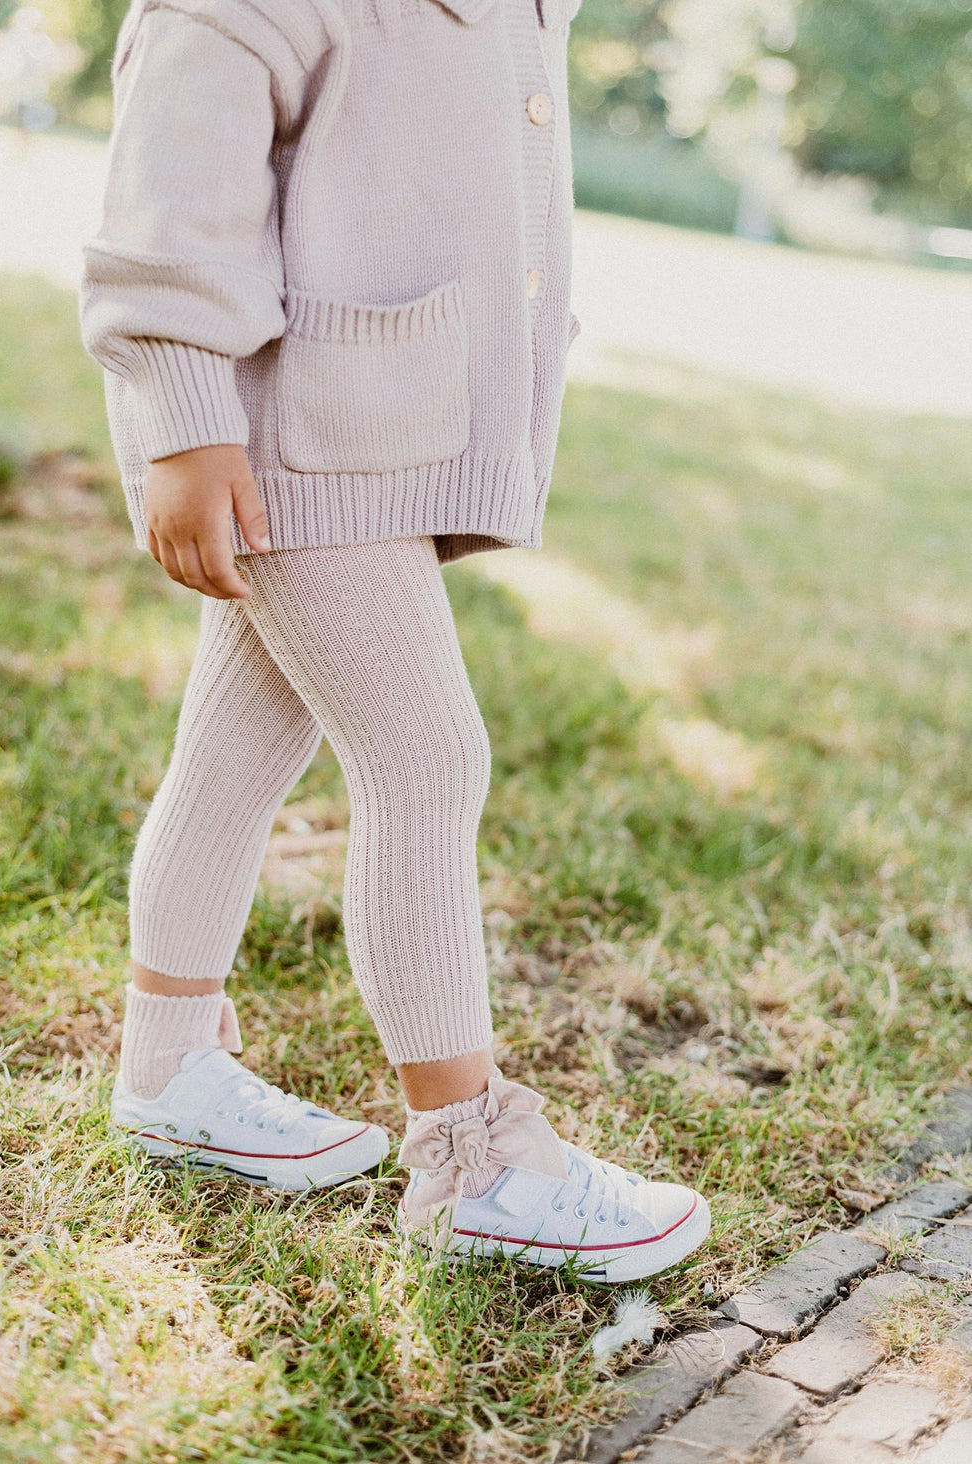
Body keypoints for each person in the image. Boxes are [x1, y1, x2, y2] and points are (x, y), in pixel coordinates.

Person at [78, 0, 711, 1282]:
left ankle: (167, 1067)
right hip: (285, 443)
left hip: (373, 426)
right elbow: (168, 195)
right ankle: (470, 1157)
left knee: (234, 757)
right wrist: (182, 415)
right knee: (427, 758)